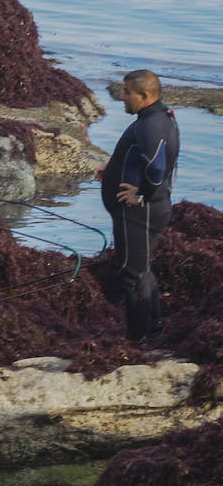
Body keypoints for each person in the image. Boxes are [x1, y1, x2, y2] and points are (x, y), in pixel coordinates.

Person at [96, 69, 180, 343]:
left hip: (140, 213)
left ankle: (138, 339)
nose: (122, 97)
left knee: (131, 274)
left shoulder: (152, 123)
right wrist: (113, 169)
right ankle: (154, 329)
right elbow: (140, 155)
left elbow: (157, 167)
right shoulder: (155, 116)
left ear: (145, 95)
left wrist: (141, 195)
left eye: (127, 92)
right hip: (141, 211)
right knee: (140, 269)